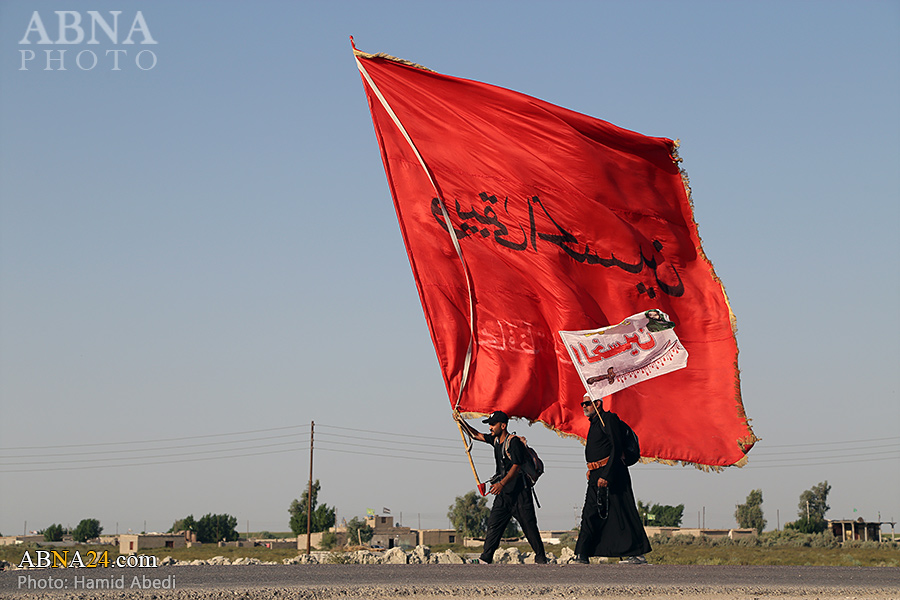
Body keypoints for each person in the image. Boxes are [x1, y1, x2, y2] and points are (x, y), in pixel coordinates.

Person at [458, 410, 548, 564]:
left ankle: (541, 559)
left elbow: (516, 466)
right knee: (494, 525)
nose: (490, 428)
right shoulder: (495, 440)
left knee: (529, 527)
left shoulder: (513, 442)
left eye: (493, 425)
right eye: (490, 425)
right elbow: (476, 435)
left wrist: (501, 483)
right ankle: (485, 558)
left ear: (503, 425)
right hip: (504, 494)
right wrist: (461, 422)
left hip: (520, 493)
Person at [574, 393, 651, 564]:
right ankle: (582, 553)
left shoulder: (609, 419)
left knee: (623, 511)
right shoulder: (594, 424)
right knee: (589, 512)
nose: (584, 406)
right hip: (596, 475)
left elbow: (616, 448)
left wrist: (606, 474)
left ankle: (637, 554)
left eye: (587, 403)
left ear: (598, 403)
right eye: (583, 404)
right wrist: (592, 469)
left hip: (612, 474)